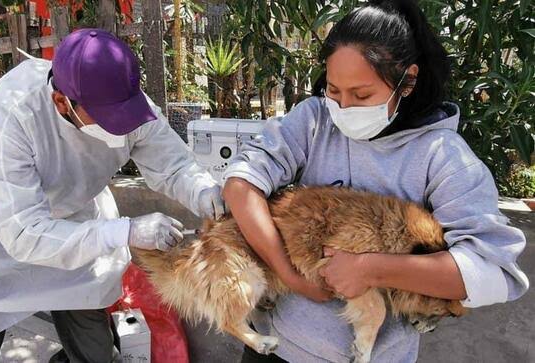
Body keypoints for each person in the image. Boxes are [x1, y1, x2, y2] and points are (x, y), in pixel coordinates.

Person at [222, 1, 529, 362]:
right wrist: (291, 276)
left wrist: (368, 268)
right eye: (334, 91)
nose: (344, 107)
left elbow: (491, 272)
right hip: (277, 347)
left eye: (362, 95)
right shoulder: (313, 121)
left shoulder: (443, 156)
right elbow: (241, 184)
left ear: (408, 81)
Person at [0, 28, 224, 362]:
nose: (123, 128)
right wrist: (126, 231)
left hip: (75, 215)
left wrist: (206, 193)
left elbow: (174, 166)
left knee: (93, 341)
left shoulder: (129, 105)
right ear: (62, 102)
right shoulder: (11, 114)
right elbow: (22, 233)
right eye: (109, 119)